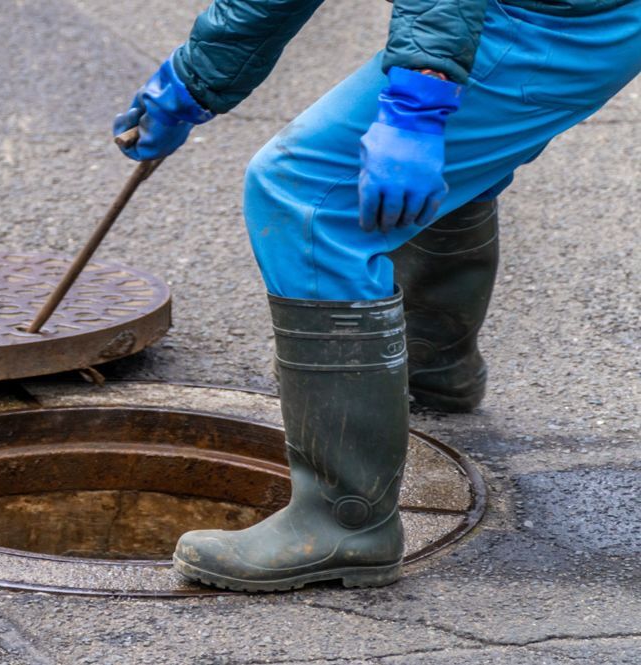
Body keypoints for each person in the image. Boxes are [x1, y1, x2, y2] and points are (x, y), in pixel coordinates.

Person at [114, 0, 641, 592]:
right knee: (446, 151)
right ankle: (430, 362)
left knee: (305, 195)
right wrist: (200, 72)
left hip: (554, 22)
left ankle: (344, 521)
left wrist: (418, 109)